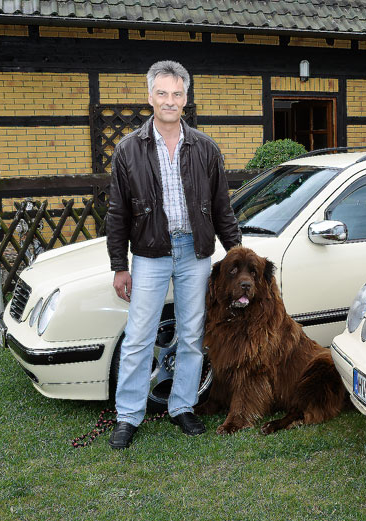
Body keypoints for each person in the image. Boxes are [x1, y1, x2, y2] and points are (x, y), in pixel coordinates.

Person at [105, 60, 241, 449]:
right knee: (138, 337)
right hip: (149, 253)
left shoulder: (205, 148)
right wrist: (119, 265)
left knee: (192, 334)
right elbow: (117, 213)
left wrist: (237, 251)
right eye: (162, 93)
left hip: (195, 251)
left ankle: (183, 406)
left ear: (186, 98)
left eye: (176, 94)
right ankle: (128, 416)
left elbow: (221, 208)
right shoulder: (128, 150)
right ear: (150, 97)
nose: (169, 100)